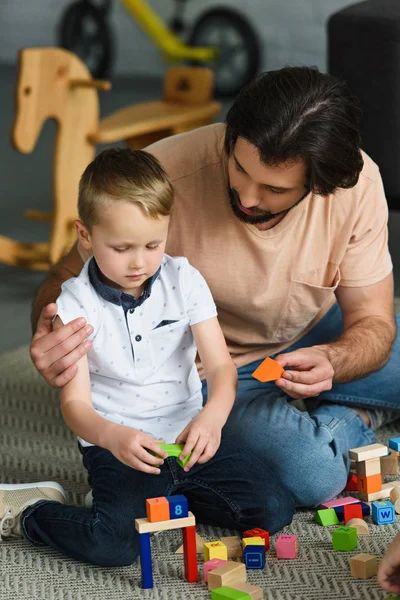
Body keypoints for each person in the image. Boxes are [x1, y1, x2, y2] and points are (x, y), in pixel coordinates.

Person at [29, 66, 399, 510]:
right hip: (217, 368)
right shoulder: (164, 175)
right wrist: (49, 333)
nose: (245, 196)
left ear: (319, 186)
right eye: (239, 168)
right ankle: (358, 415)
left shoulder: (356, 186)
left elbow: (373, 321)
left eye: (273, 189)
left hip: (316, 331)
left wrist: (335, 360)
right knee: (309, 471)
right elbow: (66, 277)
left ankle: (339, 396)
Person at [0, 149, 294, 564]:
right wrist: (112, 438)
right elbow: (75, 406)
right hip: (120, 444)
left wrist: (213, 417)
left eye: (154, 244)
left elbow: (222, 367)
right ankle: (31, 512)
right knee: (114, 546)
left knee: (273, 509)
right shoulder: (75, 305)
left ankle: (156, 499)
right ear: (85, 236)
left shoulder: (184, 280)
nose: (140, 262)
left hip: (189, 433)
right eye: (121, 248)